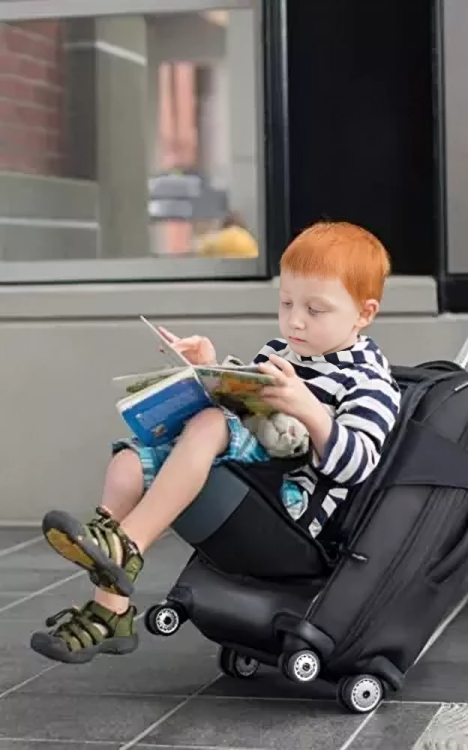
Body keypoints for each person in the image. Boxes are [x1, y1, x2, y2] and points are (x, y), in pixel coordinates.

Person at [30, 220, 401, 662]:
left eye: (315, 310)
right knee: (129, 461)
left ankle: (123, 544)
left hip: (290, 510)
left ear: (364, 312)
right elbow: (246, 414)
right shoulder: (280, 353)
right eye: (286, 303)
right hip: (253, 470)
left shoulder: (369, 383)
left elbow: (358, 466)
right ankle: (112, 609)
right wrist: (210, 369)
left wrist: (310, 410)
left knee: (209, 423)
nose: (295, 320)